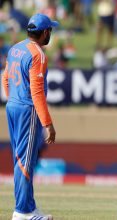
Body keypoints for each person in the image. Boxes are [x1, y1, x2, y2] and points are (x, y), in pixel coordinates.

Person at [2, 13, 57, 220]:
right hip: (27, 109)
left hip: (13, 107)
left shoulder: (15, 48)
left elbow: (6, 79)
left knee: (20, 158)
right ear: (44, 32)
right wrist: (48, 123)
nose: (50, 33)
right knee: (25, 161)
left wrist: (13, 99)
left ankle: (29, 208)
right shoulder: (38, 54)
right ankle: (22, 212)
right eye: (50, 30)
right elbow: (37, 92)